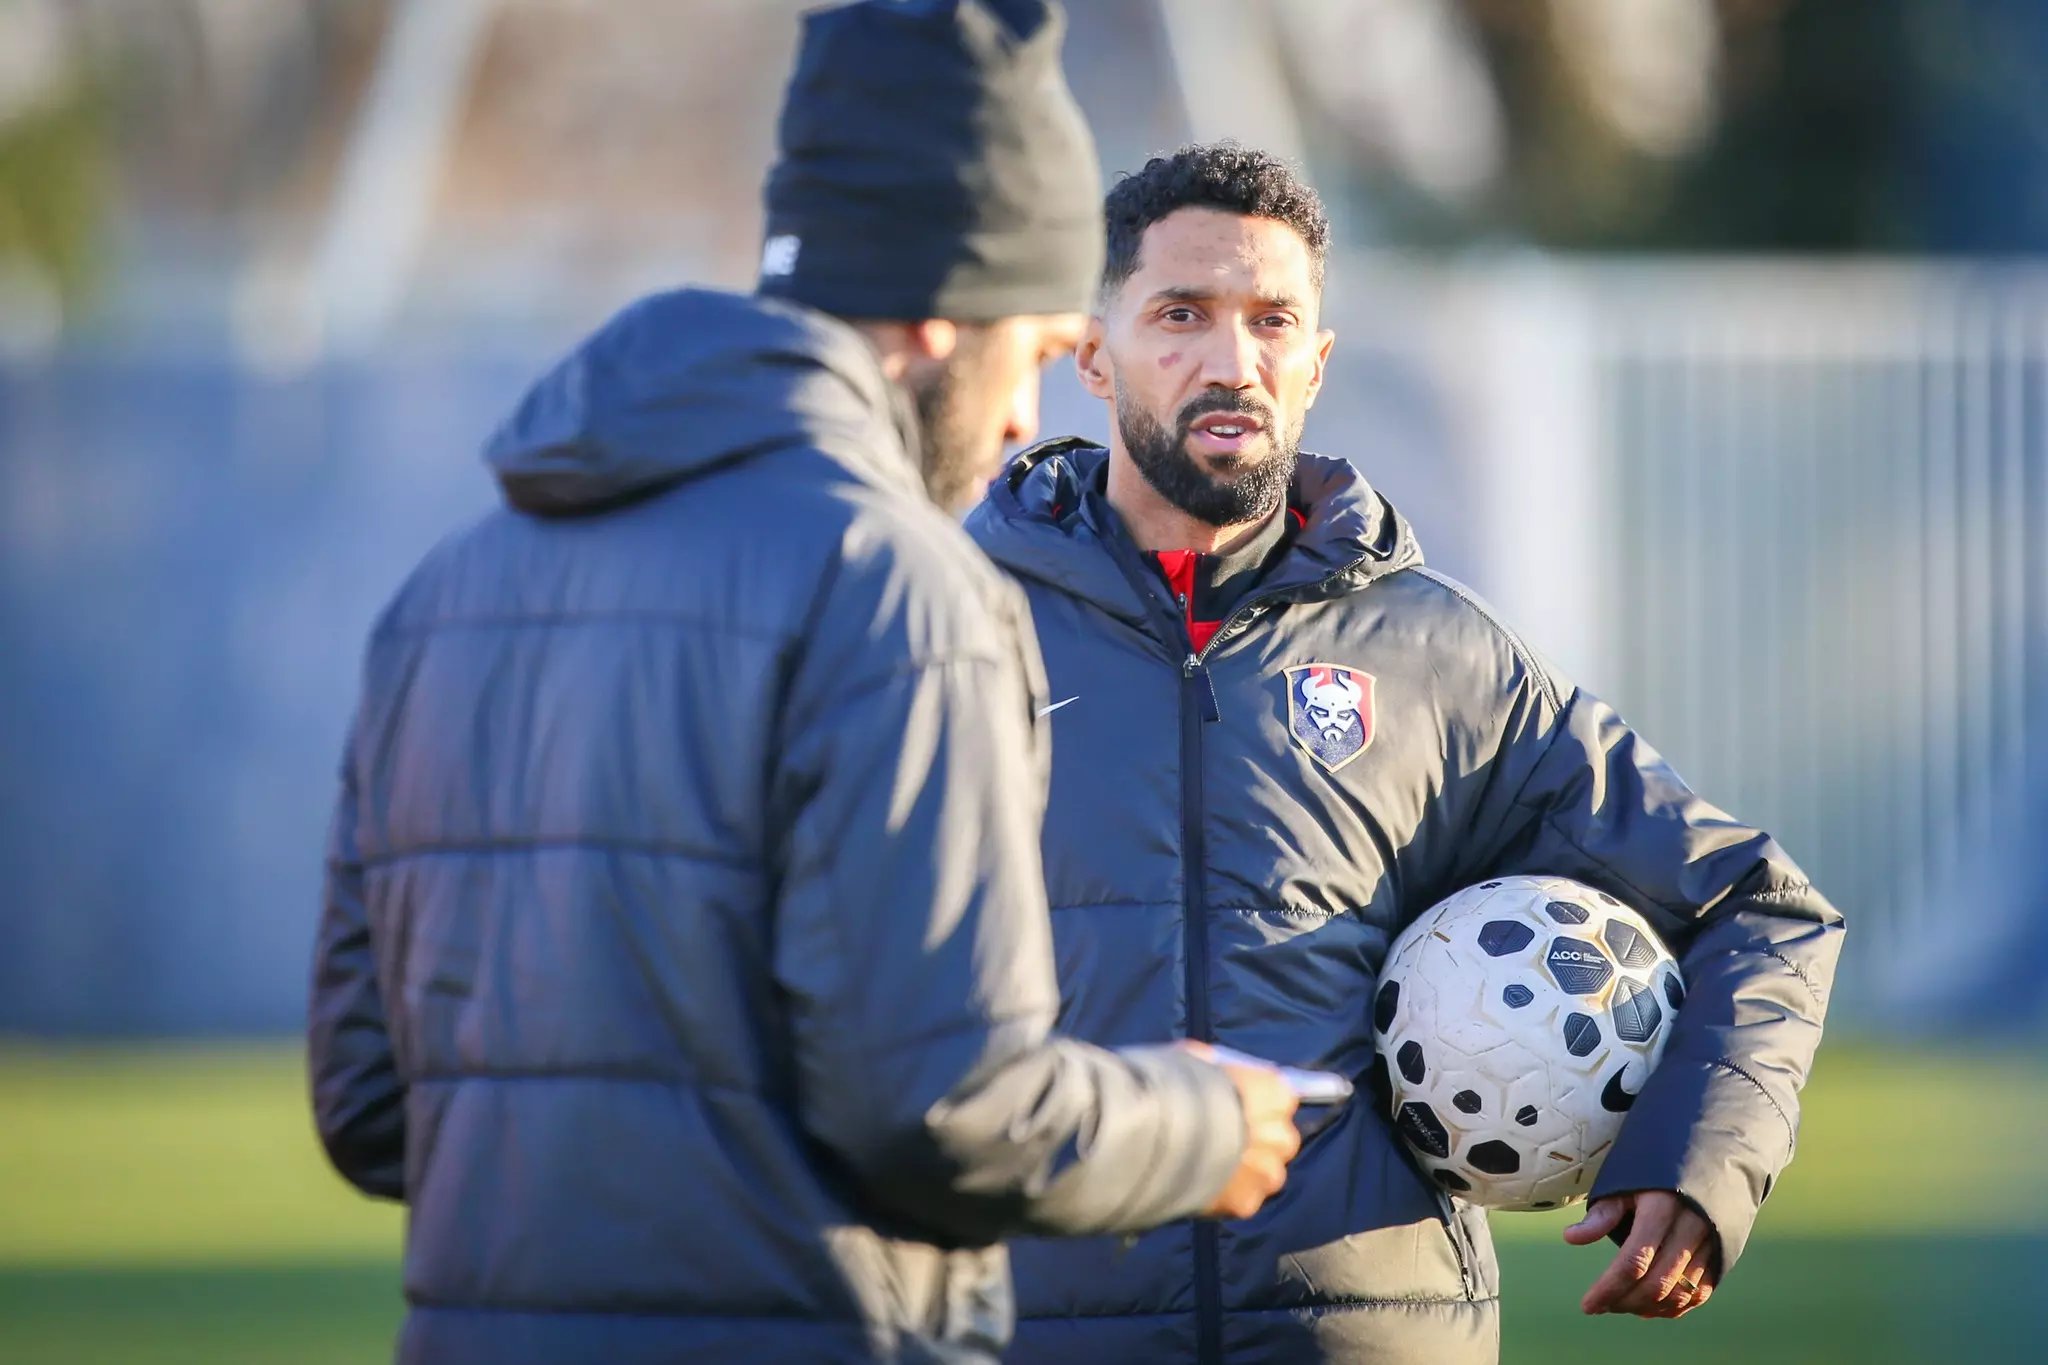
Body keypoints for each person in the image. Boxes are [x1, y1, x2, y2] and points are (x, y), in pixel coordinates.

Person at [306, 14, 1303, 1365]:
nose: (1025, 421)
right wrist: (1199, 1121)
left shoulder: (447, 589)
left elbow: (371, 1105)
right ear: (945, 318)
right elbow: (941, 1107)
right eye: (1032, 352)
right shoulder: (899, 586)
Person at [964, 142, 1845, 1364]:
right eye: (1181, 315)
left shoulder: (1436, 654)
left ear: (1316, 363)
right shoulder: (951, 622)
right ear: (1093, 351)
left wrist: (1700, 1164)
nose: (1231, 363)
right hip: (1032, 1332)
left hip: (1370, 1336)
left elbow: (1758, 905)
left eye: (1272, 320)